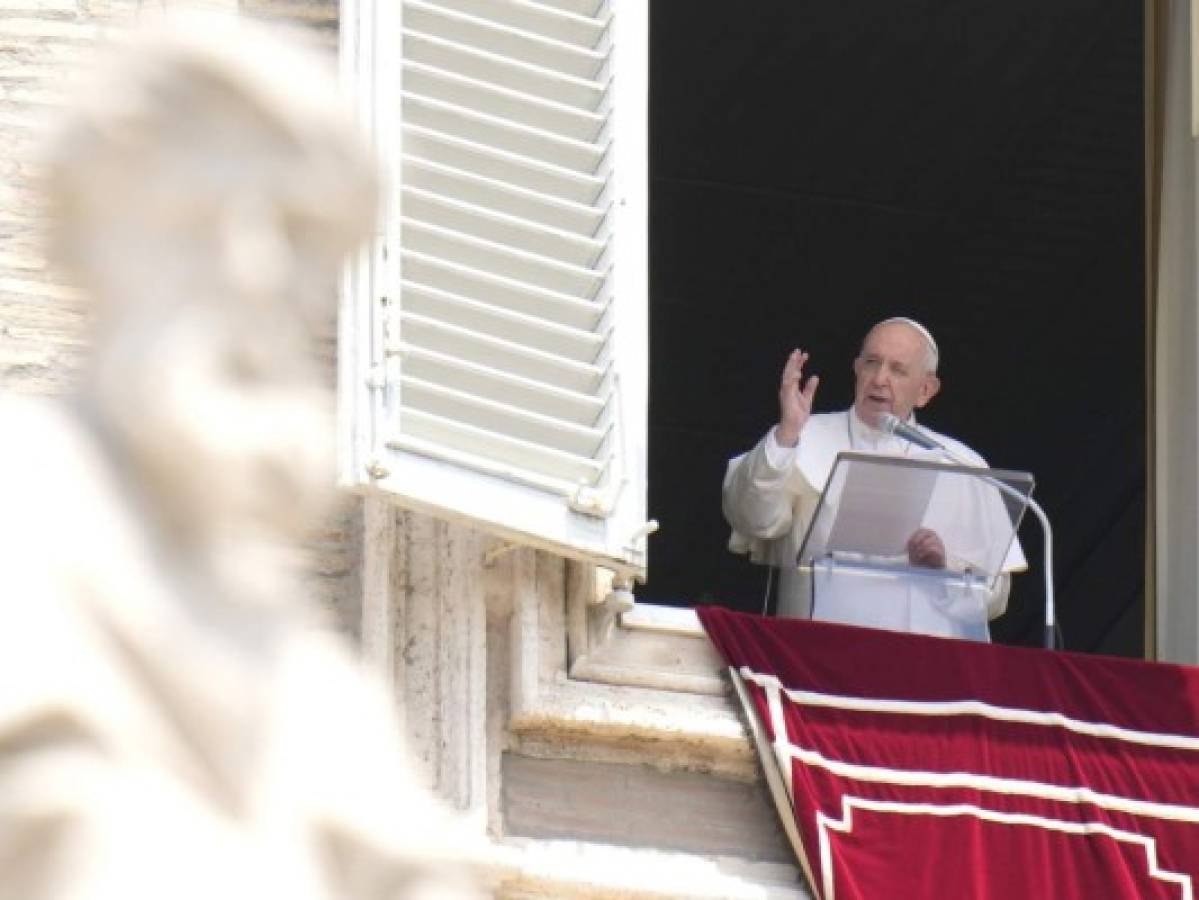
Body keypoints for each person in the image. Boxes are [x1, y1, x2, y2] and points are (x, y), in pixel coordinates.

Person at [722, 317, 1026, 624]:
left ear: (925, 390)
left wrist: (942, 572)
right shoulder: (802, 437)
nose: (880, 378)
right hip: (814, 654)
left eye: (897, 369)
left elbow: (995, 599)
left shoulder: (963, 465)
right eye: (872, 363)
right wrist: (786, 434)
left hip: (922, 660)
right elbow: (754, 520)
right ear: (857, 370)